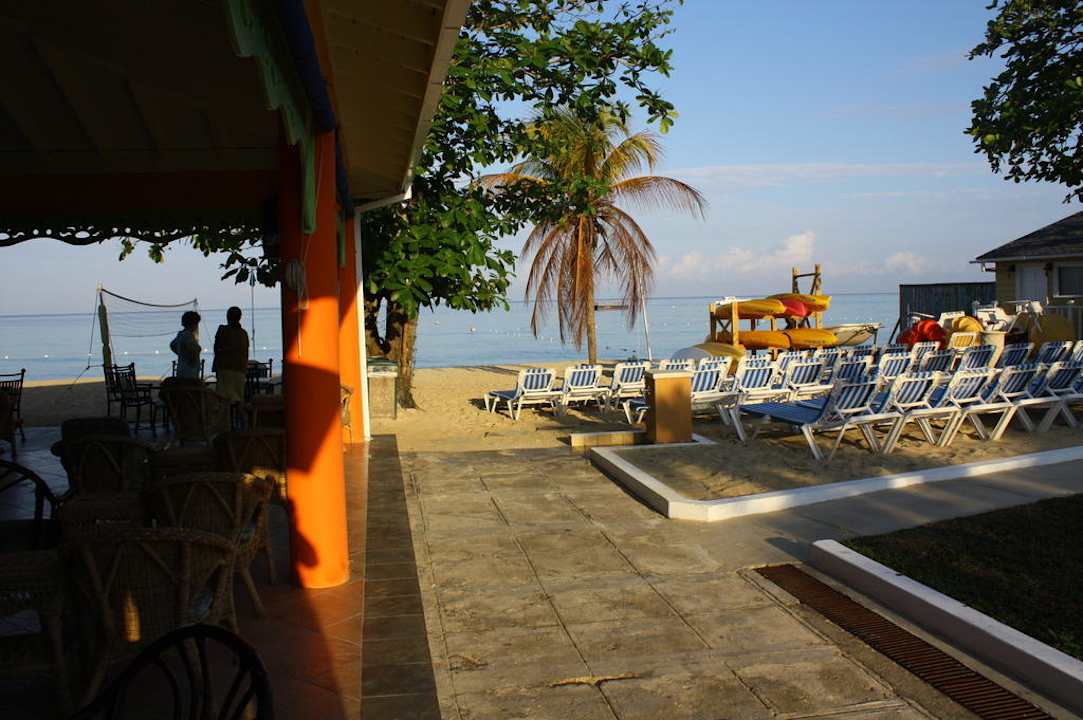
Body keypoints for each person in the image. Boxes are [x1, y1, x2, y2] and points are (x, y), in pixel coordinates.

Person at [213, 306, 249, 403]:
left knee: (223, 399)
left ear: (228, 317)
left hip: (225, 368)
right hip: (240, 369)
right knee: (238, 399)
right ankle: (242, 417)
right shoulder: (243, 333)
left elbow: (216, 348)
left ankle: (226, 417)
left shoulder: (222, 330)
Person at [170, 311, 202, 379]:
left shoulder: (181, 334)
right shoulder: (188, 335)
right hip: (189, 371)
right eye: (196, 323)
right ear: (193, 324)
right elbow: (192, 348)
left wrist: (181, 353)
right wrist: (192, 357)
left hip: (182, 367)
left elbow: (172, 345)